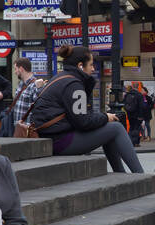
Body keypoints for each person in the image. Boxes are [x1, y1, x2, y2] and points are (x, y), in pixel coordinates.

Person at [28, 45, 144, 173]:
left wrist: (103, 118)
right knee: (116, 128)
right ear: (80, 66)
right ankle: (140, 175)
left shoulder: (60, 78)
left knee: (109, 130)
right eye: (91, 65)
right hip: (60, 141)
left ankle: (120, 174)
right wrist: (106, 117)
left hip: (51, 138)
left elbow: (79, 117)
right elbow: (83, 121)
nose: (93, 69)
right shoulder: (74, 84)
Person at [8, 56, 45, 137]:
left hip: (27, 129)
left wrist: (28, 126)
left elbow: (38, 107)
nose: (15, 72)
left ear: (21, 68)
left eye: (15, 69)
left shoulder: (35, 85)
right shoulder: (21, 84)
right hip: (18, 127)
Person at [123, 81, 150, 147]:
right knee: (136, 128)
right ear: (138, 87)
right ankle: (135, 142)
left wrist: (128, 111)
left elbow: (124, 104)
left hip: (130, 114)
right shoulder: (139, 95)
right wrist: (141, 116)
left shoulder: (128, 94)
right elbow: (141, 106)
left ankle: (129, 141)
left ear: (132, 86)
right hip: (137, 115)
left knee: (131, 128)